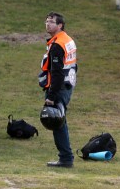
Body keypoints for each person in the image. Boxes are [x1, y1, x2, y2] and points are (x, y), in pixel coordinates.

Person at [41, 12, 77, 167]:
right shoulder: (67, 40)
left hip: (59, 89)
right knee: (61, 121)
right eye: (47, 21)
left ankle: (66, 158)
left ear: (60, 25)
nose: (47, 24)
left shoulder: (57, 45)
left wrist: (51, 96)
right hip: (68, 85)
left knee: (57, 122)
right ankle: (66, 157)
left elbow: (57, 73)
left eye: (51, 22)